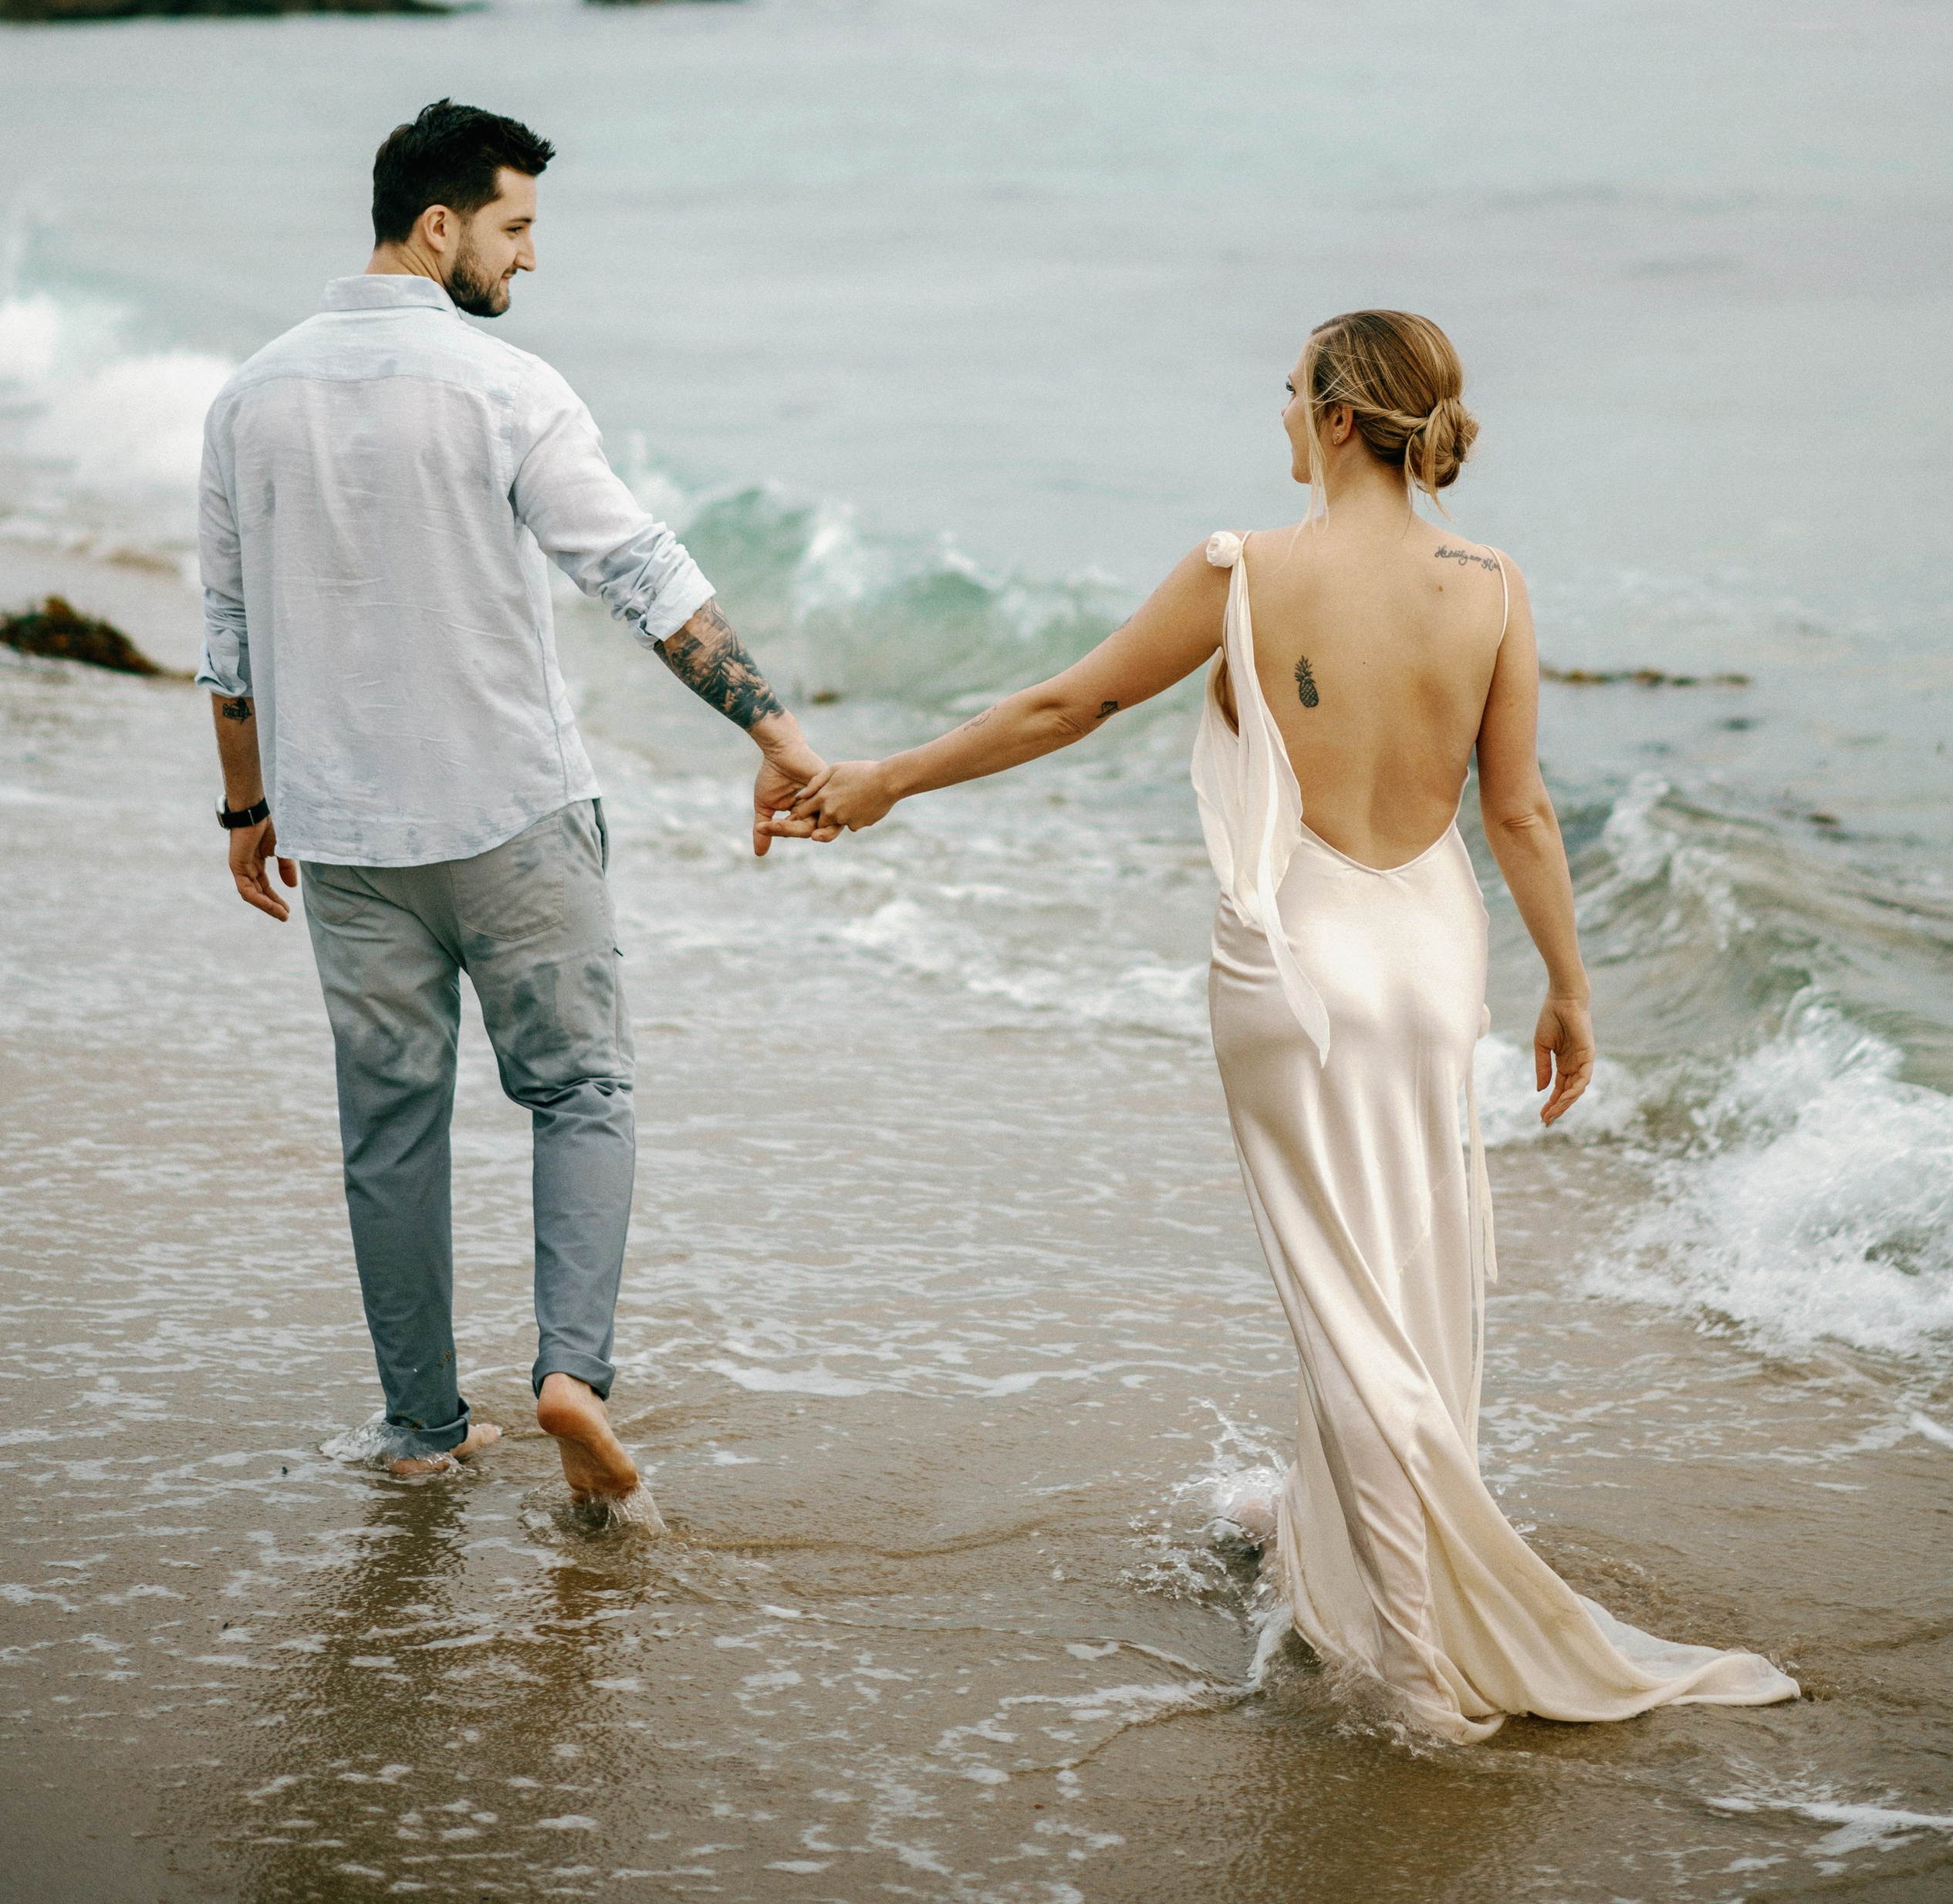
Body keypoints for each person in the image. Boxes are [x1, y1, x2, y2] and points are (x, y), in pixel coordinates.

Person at [785, 309, 1798, 1741]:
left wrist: (887, 777)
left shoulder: (1245, 571)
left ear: (1335, 418)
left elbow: (1066, 703)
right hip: (1435, 954)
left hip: (1297, 954)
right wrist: (1569, 984)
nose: (1277, 414)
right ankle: (1346, 1559)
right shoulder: (1495, 584)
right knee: (1406, 1278)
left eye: (1287, 392)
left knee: (1342, 1308)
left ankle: (1418, 1664)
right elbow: (1518, 809)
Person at [198, 100, 823, 1497]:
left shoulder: (247, 399)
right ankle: (568, 1376)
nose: (529, 258)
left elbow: (229, 640)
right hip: (515, 816)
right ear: (441, 228)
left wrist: (246, 814)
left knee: (391, 1128)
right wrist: (776, 731)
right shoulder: (506, 388)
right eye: (516, 225)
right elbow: (642, 573)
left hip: (345, 836)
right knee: (582, 1088)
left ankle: (421, 1427)